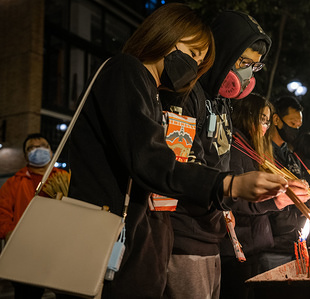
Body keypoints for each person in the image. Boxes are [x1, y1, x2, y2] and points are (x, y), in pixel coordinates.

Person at [65, 4, 287, 299]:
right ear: (164, 34)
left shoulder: (153, 91)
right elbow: (152, 161)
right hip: (105, 243)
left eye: (201, 58)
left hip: (140, 245)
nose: (195, 65)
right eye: (193, 52)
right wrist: (228, 183)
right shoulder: (125, 70)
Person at [159, 11, 289, 299]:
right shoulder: (185, 95)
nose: (246, 74)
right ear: (222, 52)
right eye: (243, 62)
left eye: (254, 67)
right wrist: (234, 184)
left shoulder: (222, 104)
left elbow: (223, 172)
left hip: (213, 237)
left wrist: (275, 196)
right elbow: (177, 170)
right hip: (183, 239)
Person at [219, 94, 310, 299]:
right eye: (263, 119)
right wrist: (274, 200)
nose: (266, 126)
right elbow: (233, 198)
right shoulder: (235, 146)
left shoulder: (255, 150)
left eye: (268, 121)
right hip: (238, 246)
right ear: (247, 115)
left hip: (256, 243)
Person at [259, 96, 310, 272]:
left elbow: (299, 201)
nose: (296, 129)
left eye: (299, 125)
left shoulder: (291, 157)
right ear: (276, 120)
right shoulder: (262, 154)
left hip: (294, 242)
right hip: (273, 244)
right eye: (292, 123)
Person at [0, 133, 67, 299]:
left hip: (58, 250)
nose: (38, 149)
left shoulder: (65, 179)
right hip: (25, 251)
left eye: (43, 146)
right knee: (27, 294)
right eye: (31, 147)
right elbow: (2, 212)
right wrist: (10, 233)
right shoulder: (14, 183)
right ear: (25, 155)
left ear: (51, 152)